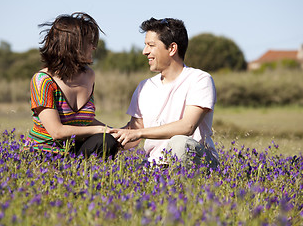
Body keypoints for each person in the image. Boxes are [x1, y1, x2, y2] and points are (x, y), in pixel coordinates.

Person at [111, 17, 219, 168]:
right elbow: (133, 134)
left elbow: (187, 127)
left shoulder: (200, 79)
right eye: (145, 45)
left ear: (172, 48)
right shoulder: (144, 87)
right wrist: (100, 136)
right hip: (154, 165)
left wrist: (140, 133)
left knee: (180, 143)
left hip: (198, 163)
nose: (144, 51)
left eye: (151, 45)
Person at [27, 12, 119, 159]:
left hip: (75, 151)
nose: (94, 47)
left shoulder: (89, 75)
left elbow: (84, 121)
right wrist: (101, 129)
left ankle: (91, 179)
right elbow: (57, 132)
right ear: (72, 44)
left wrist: (115, 132)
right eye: (89, 42)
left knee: (107, 140)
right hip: (45, 153)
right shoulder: (43, 80)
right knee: (103, 135)